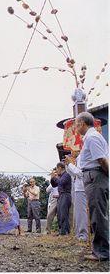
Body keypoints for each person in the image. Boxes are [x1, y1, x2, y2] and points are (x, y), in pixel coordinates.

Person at [75, 111, 109, 261]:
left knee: (98, 216)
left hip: (96, 176)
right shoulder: (90, 137)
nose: (75, 127)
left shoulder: (92, 137)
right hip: (93, 176)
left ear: (82, 123)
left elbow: (101, 160)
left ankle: (102, 252)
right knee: (96, 214)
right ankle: (99, 250)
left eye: (76, 124)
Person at [65, 152, 88, 242]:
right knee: (78, 213)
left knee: (81, 213)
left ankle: (83, 235)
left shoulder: (83, 156)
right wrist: (68, 165)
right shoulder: (79, 158)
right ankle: (79, 234)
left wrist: (70, 164)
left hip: (82, 187)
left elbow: (80, 173)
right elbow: (73, 174)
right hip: (77, 188)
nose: (71, 153)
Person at [51, 162, 71, 235]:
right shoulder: (60, 176)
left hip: (65, 195)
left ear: (59, 168)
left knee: (63, 214)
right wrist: (52, 178)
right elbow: (54, 185)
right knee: (59, 214)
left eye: (57, 169)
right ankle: (61, 231)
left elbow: (61, 182)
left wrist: (55, 178)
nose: (56, 170)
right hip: (61, 195)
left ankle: (65, 232)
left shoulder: (66, 175)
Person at [46, 169, 59, 234]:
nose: (55, 174)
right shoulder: (52, 182)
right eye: (54, 173)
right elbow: (47, 190)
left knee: (60, 216)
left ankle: (60, 230)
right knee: (50, 214)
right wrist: (52, 180)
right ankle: (48, 230)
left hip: (60, 198)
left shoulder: (61, 179)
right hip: (53, 200)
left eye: (56, 173)